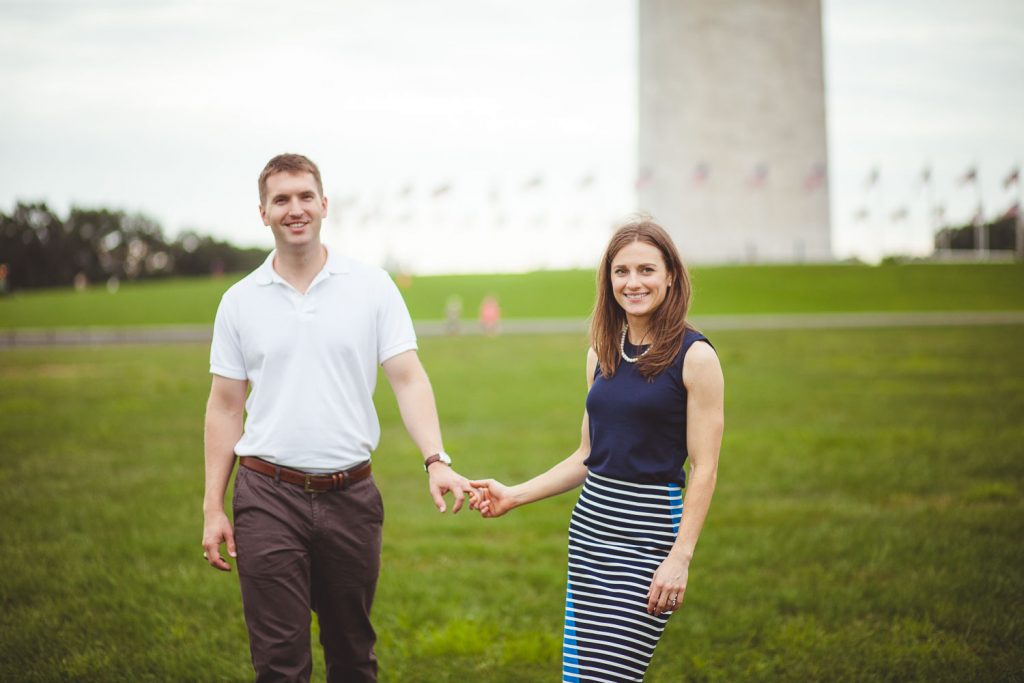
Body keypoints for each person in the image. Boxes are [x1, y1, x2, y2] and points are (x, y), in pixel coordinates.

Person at [201, 153, 471, 683]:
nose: (294, 209)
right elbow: (226, 405)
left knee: (352, 656)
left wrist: (436, 459)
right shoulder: (238, 301)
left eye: (305, 196)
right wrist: (213, 505)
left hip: (351, 496)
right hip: (266, 495)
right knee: (279, 665)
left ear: (324, 205)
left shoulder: (372, 286)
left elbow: (409, 378)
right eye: (281, 199)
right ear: (263, 213)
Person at [469, 218, 724, 682]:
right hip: (590, 534)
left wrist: (680, 556)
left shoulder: (695, 357)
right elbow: (588, 455)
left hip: (647, 540)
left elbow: (705, 468)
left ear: (671, 275)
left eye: (646, 270)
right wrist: (514, 495)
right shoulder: (602, 352)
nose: (633, 282)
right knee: (581, 675)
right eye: (621, 271)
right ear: (608, 280)